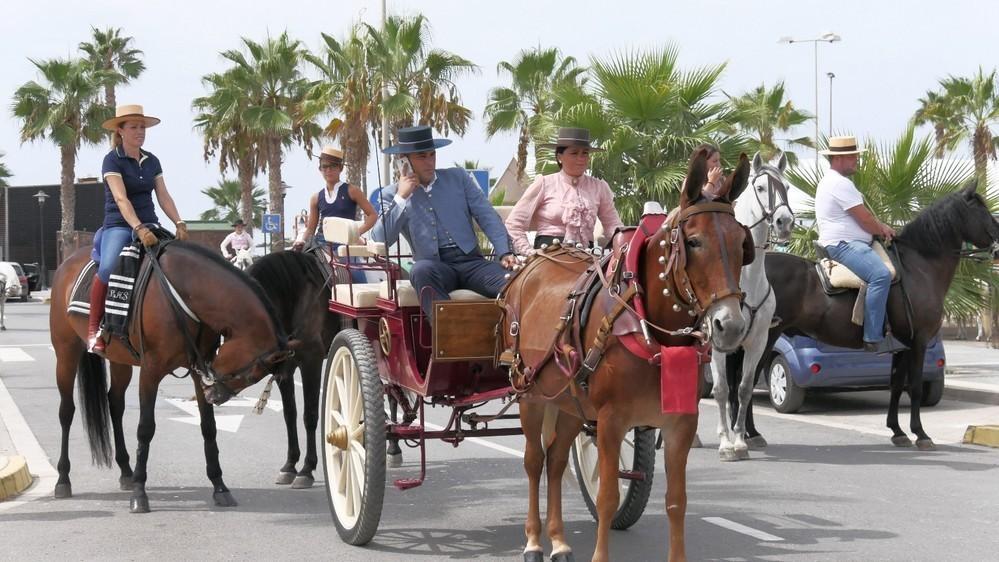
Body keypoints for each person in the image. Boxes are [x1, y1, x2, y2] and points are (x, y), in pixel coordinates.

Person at [370, 125, 516, 319]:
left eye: (432, 155)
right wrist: (402, 196)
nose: (430, 162)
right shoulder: (391, 195)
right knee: (421, 270)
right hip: (434, 268)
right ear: (403, 160)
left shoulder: (458, 178)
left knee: (516, 282)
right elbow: (380, 238)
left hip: (472, 263)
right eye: (422, 157)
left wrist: (504, 251)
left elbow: (487, 216)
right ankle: (449, 341)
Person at [88, 104, 188, 354]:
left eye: (142, 127)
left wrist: (179, 222)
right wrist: (138, 228)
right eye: (134, 127)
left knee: (176, 263)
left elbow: (163, 195)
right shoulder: (112, 159)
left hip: (151, 223)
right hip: (120, 225)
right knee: (109, 266)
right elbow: (121, 199)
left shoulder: (152, 160)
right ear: (120, 131)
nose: (140, 131)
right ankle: (94, 330)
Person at [815, 136, 900, 354]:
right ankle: (873, 337)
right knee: (880, 275)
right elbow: (864, 219)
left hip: (849, 242)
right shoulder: (840, 184)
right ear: (839, 158)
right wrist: (882, 229)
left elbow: (864, 219)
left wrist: (879, 226)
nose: (857, 160)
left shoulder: (832, 181)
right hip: (844, 245)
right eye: (853, 156)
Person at [505, 127, 623, 254]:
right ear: (559, 157)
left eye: (585, 153)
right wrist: (528, 252)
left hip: (586, 257)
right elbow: (514, 223)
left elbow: (613, 225)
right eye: (574, 153)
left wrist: (625, 245)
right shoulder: (544, 183)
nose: (581, 158)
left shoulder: (599, 187)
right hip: (548, 256)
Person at [292, 147, 377, 250]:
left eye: (333, 166)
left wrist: (356, 233)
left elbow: (373, 215)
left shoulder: (352, 191)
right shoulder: (316, 198)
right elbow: (310, 229)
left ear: (340, 168)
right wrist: (301, 241)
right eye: (325, 167)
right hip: (321, 244)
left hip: (344, 245)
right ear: (320, 169)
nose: (328, 170)